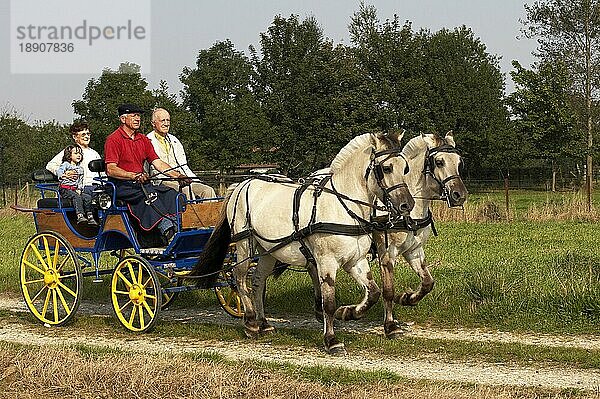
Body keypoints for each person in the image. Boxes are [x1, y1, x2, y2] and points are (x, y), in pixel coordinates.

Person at [104, 104, 192, 244]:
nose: (138, 119)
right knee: (150, 195)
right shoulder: (114, 139)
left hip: (141, 183)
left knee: (170, 193)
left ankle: (178, 228)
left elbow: (157, 163)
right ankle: (167, 231)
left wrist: (178, 175)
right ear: (122, 118)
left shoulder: (143, 140)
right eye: (134, 116)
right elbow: (111, 169)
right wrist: (133, 175)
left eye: (138, 116)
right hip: (121, 185)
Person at [146, 108, 216, 199]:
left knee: (207, 190)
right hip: (162, 180)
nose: (166, 123)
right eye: (163, 120)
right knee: (185, 189)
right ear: (153, 123)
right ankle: (189, 213)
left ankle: (211, 213)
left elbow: (183, 165)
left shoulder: (174, 140)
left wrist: (192, 179)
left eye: (168, 120)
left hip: (182, 177)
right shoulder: (147, 141)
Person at [46, 121, 102, 196]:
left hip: (96, 186)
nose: (87, 137)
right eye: (83, 134)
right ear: (75, 137)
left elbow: (102, 173)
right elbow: (50, 165)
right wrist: (63, 173)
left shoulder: (95, 153)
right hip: (81, 187)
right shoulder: (70, 151)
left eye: (88, 134)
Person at [57, 145, 98, 226]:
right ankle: (80, 216)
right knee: (76, 197)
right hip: (65, 189)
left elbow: (80, 181)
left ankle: (90, 216)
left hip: (75, 189)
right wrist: (63, 175)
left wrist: (79, 189)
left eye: (80, 153)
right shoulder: (65, 164)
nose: (79, 155)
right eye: (76, 153)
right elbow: (60, 171)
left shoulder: (80, 169)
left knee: (87, 197)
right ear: (69, 155)